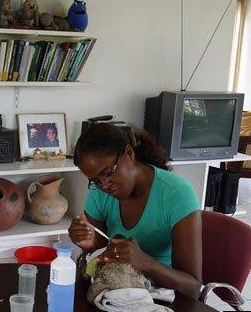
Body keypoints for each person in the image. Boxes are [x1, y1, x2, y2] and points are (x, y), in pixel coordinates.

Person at [68, 123, 202, 298]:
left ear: (129, 154)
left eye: (108, 173)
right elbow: (100, 252)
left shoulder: (177, 195)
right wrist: (89, 244)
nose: (105, 185)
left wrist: (146, 263)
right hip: (117, 290)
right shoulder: (98, 192)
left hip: (164, 296)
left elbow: (192, 287)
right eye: (96, 181)